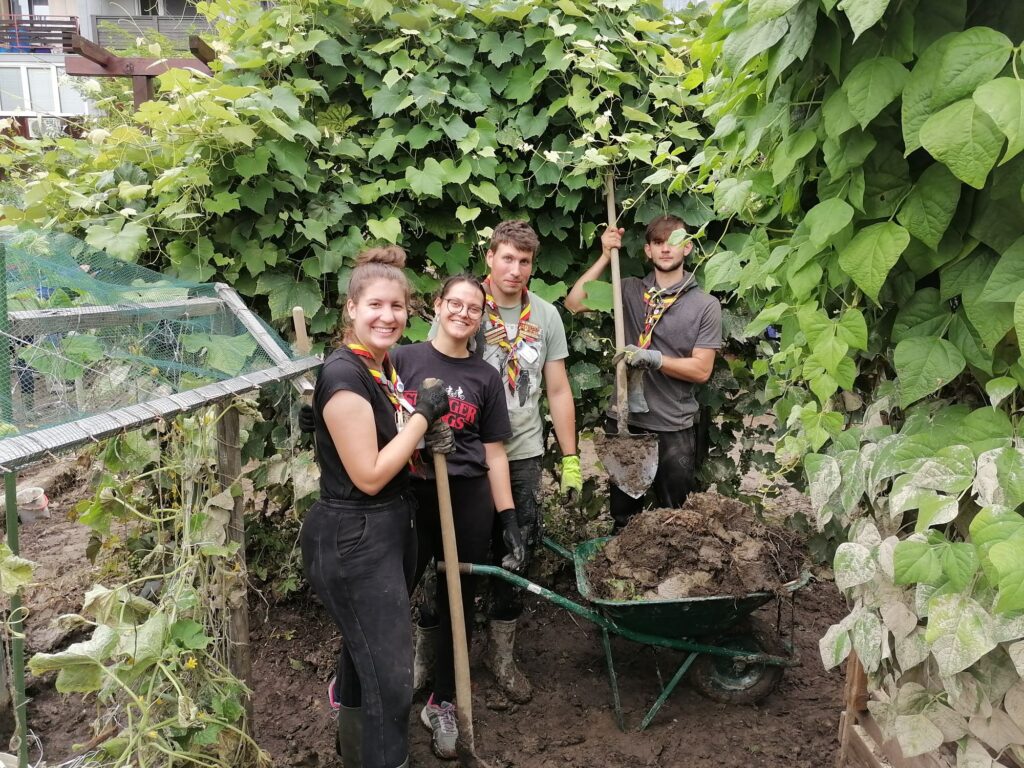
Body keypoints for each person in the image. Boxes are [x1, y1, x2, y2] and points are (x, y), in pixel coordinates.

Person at [300, 246, 452, 768]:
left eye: (398, 307)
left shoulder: (379, 368)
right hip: (354, 537)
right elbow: (367, 475)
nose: (388, 316)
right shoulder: (345, 376)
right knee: (390, 680)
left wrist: (423, 436)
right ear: (351, 308)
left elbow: (386, 449)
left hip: (386, 529)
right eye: (376, 306)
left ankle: (354, 751)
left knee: (362, 653)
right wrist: (421, 419)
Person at [433, 219, 580, 706]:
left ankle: (502, 655)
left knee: (518, 552)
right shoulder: (466, 308)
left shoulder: (546, 316)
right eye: (507, 258)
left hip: (521, 454)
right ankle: (439, 655)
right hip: (464, 454)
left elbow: (557, 389)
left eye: (524, 261)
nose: (515, 269)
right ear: (490, 258)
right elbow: (433, 366)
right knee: (451, 555)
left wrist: (573, 456)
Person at [392, 275, 524, 759]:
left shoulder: (485, 377)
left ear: (481, 317)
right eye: (456, 303)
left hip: (465, 493)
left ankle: (442, 701)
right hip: (408, 489)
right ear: (439, 305)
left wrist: (507, 516)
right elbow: (370, 416)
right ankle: (382, 693)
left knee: (458, 602)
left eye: (474, 308)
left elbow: (494, 452)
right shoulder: (403, 358)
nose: (464, 313)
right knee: (391, 591)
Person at [565, 214, 722, 530]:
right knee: (624, 520)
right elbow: (574, 303)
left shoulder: (705, 305)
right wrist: (605, 256)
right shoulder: (628, 290)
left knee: (677, 518)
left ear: (688, 248)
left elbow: (702, 370)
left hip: (673, 427)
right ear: (648, 251)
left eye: (674, 242)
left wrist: (655, 359)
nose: (666, 249)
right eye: (658, 243)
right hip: (626, 423)